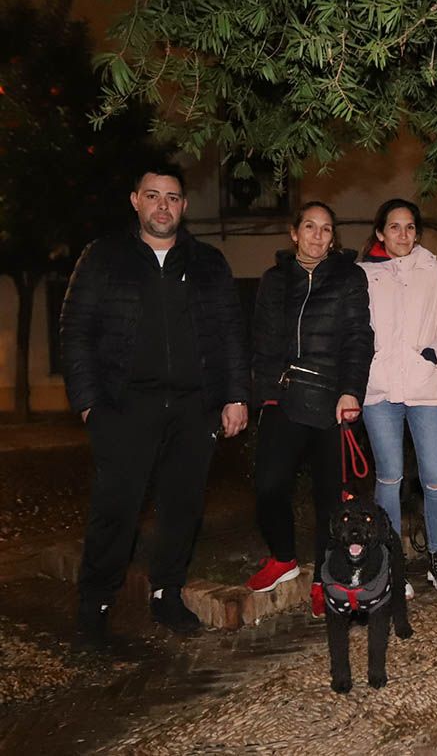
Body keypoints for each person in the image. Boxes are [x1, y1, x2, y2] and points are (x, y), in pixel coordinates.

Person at [60, 171, 250, 643]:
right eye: (152, 197)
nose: (162, 207)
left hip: (194, 408)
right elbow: (75, 332)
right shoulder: (103, 257)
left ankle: (167, 594)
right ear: (135, 201)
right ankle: (95, 603)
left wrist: (236, 395)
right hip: (125, 407)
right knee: (115, 510)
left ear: (184, 206)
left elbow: (230, 334)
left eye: (171, 198)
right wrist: (89, 405)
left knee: (182, 508)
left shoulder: (208, 262)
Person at [245, 202, 373, 619]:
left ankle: (324, 578)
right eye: (310, 227)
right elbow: (262, 343)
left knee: (331, 501)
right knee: (268, 486)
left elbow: (358, 336)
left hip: (331, 400)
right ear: (294, 233)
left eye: (326, 229)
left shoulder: (348, 276)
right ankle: (283, 557)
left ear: (333, 237)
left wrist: (351, 390)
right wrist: (264, 395)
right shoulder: (274, 280)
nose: (318, 236)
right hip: (283, 395)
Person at [360, 199, 437, 596]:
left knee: (436, 479)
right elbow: (355, 330)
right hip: (380, 390)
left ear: (417, 233)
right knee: (388, 477)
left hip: (427, 387)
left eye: (409, 228)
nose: (402, 235)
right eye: (394, 227)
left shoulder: (436, 273)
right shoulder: (364, 275)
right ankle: (391, 562)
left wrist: (436, 355)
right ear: (380, 233)